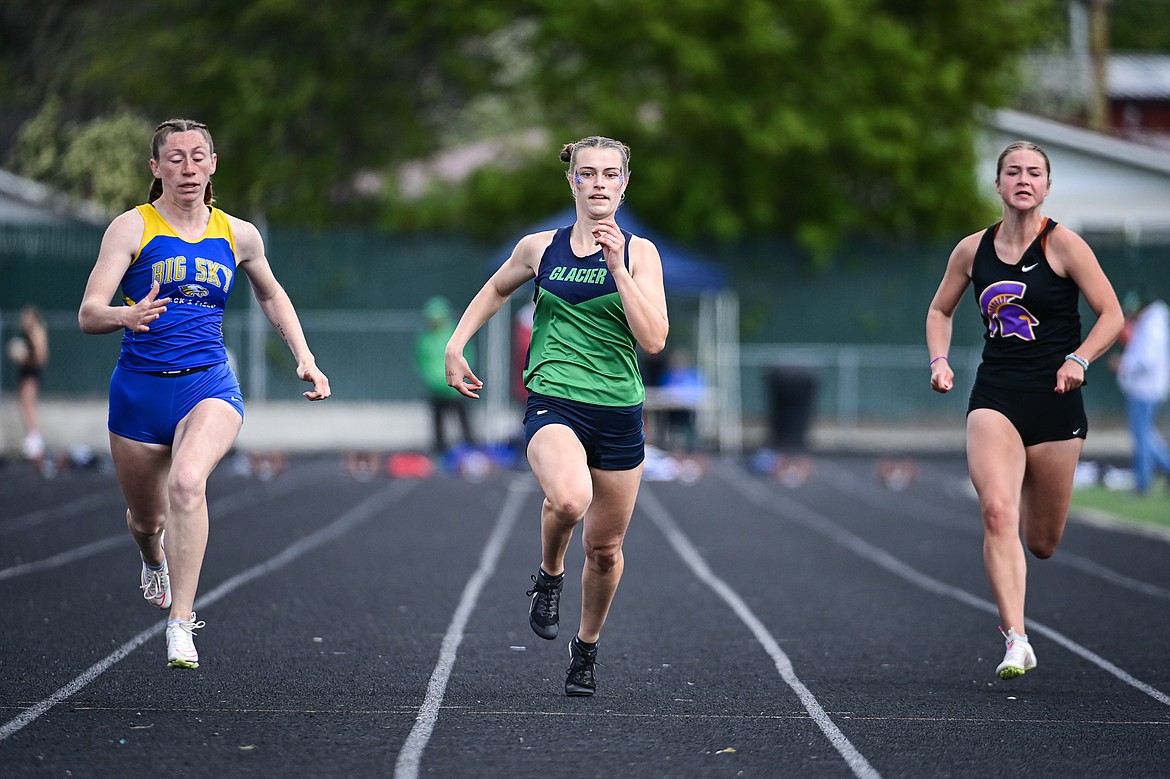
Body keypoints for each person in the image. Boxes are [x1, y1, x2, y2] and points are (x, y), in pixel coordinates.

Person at [78, 118, 330, 670]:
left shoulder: (238, 234)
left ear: (213, 164)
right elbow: (88, 312)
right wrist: (127, 314)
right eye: (175, 158)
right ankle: (153, 559)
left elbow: (272, 295)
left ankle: (181, 623)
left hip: (208, 382)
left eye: (198, 157)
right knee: (146, 522)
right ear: (156, 168)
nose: (187, 168)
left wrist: (305, 358)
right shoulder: (130, 228)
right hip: (139, 395)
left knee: (189, 482)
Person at [444, 135, 668, 696]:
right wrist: (456, 344)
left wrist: (618, 268)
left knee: (607, 549)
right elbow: (495, 290)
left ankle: (586, 648)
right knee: (569, 498)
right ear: (572, 181)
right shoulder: (538, 248)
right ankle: (549, 575)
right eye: (587, 173)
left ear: (624, 184)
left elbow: (655, 339)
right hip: (554, 398)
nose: (598, 184)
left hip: (618, 411)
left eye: (609, 174)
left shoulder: (640, 253)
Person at [926, 140, 1123, 681]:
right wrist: (939, 360)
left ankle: (1022, 612)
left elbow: (1110, 313)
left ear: (1047, 186)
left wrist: (1080, 359)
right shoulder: (972, 250)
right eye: (1013, 171)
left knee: (1042, 542)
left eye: (1034, 172)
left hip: (1057, 401)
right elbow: (940, 309)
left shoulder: (1065, 245)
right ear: (998, 184)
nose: (1023, 180)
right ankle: (1017, 638)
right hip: (998, 395)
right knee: (995, 511)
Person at [1114, 290, 1170, 494]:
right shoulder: (1148, 324)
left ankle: (1143, 483)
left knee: (1143, 437)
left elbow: (1147, 361)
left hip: (1146, 390)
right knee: (1146, 435)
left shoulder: (1153, 327)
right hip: (1145, 388)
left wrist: (1124, 364)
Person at [413, 295, 476, 453]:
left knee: (464, 420)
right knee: (438, 422)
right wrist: (431, 379)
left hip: (456, 388)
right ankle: (440, 451)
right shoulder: (425, 339)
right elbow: (420, 361)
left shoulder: (455, 333)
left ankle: (470, 449)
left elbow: (468, 355)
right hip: (436, 389)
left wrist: (462, 376)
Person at [9, 305, 49, 463]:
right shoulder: (29, 332)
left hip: (31, 373)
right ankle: (32, 439)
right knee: (25, 404)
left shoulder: (36, 332)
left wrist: (24, 356)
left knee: (28, 404)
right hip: (26, 372)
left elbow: (40, 356)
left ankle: (35, 440)